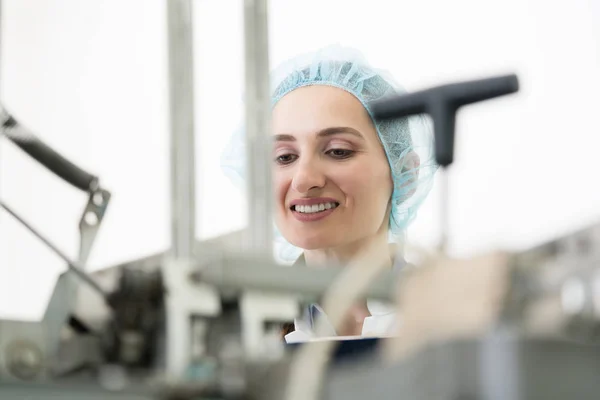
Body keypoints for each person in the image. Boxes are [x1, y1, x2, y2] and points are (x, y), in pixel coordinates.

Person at [221, 45, 437, 343]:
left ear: (405, 173)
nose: (304, 180)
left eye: (338, 151)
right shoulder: (238, 333)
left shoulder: (454, 316)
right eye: (284, 157)